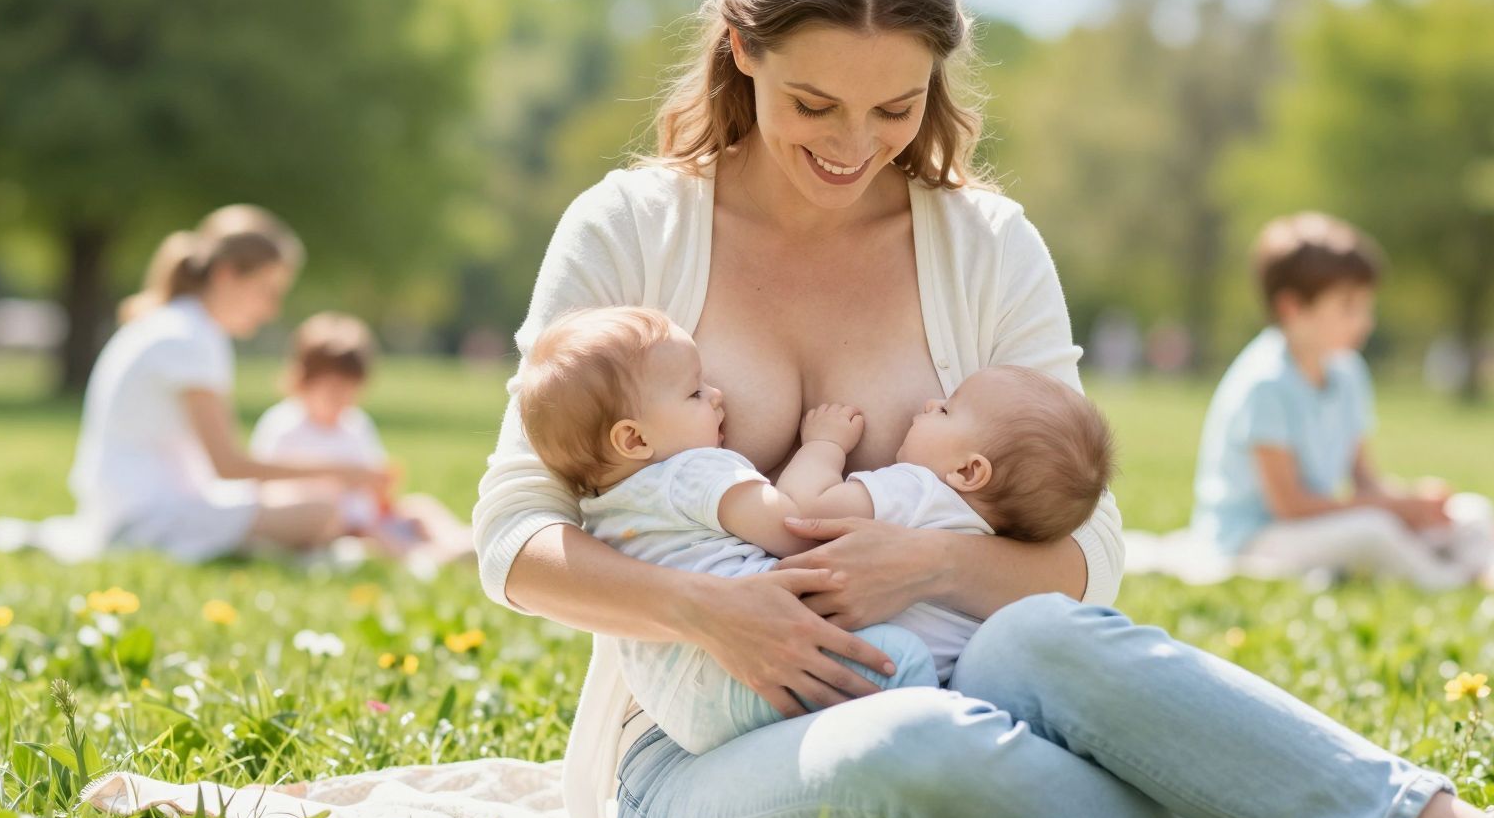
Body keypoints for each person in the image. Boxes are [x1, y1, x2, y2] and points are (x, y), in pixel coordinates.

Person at [475, 0, 1494, 818]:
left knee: (1050, 637)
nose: (853, 149)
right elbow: (513, 538)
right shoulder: (630, 230)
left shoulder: (985, 246)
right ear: (739, 50)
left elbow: (1088, 552)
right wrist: (705, 612)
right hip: (699, 747)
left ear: (938, 79)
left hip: (977, 671)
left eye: (894, 109)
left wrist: (932, 561)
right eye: (812, 103)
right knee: (914, 751)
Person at [517, 305, 1111, 754]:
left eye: (946, 408)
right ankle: (955, 740)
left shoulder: (604, 504)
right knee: (897, 664)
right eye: (696, 393)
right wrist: (823, 445)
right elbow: (800, 526)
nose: (717, 395)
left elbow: (1096, 551)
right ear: (635, 437)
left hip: (680, 698)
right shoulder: (698, 470)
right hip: (758, 675)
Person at [1190, 213, 1494, 593]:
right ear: (1291, 307)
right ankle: (1449, 584)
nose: (1365, 320)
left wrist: (1413, 500)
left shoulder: (1347, 372)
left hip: (1319, 525)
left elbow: (1364, 480)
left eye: (1367, 305)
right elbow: (1290, 505)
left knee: (1469, 511)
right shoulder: (1265, 383)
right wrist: (1392, 508)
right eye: (1348, 306)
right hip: (1255, 539)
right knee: (1373, 531)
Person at [65, 207, 391, 560]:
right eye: (266, 290)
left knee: (305, 508)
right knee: (322, 512)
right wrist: (343, 473)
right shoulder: (189, 337)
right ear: (226, 275)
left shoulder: (177, 325)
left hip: (138, 507)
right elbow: (229, 465)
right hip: (142, 519)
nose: (271, 310)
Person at [251, 312, 472, 562]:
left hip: (366, 516)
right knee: (367, 540)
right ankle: (422, 559)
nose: (342, 401)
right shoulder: (284, 425)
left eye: (350, 392)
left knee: (421, 507)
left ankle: (457, 543)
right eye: (333, 391)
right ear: (303, 381)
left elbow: (375, 487)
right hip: (327, 524)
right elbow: (265, 489)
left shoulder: (355, 424)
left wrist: (379, 483)